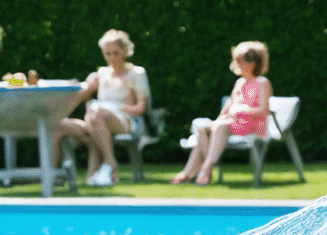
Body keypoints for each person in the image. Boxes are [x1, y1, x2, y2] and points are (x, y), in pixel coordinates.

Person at [52, 29, 149, 187]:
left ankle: (111, 164)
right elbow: (78, 97)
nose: (111, 58)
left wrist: (115, 108)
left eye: (115, 53)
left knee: (96, 114)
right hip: (96, 122)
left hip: (124, 122)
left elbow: (140, 108)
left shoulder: (136, 73)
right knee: (58, 125)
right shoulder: (100, 74)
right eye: (107, 53)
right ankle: (52, 175)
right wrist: (60, 112)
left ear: (125, 51)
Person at [171, 41, 272, 185]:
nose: (237, 64)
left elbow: (263, 110)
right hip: (233, 125)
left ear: (253, 63)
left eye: (240, 61)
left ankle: (203, 169)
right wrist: (218, 120)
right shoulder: (239, 83)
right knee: (202, 128)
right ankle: (194, 171)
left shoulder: (262, 82)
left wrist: (241, 111)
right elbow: (227, 109)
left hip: (253, 126)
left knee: (219, 127)